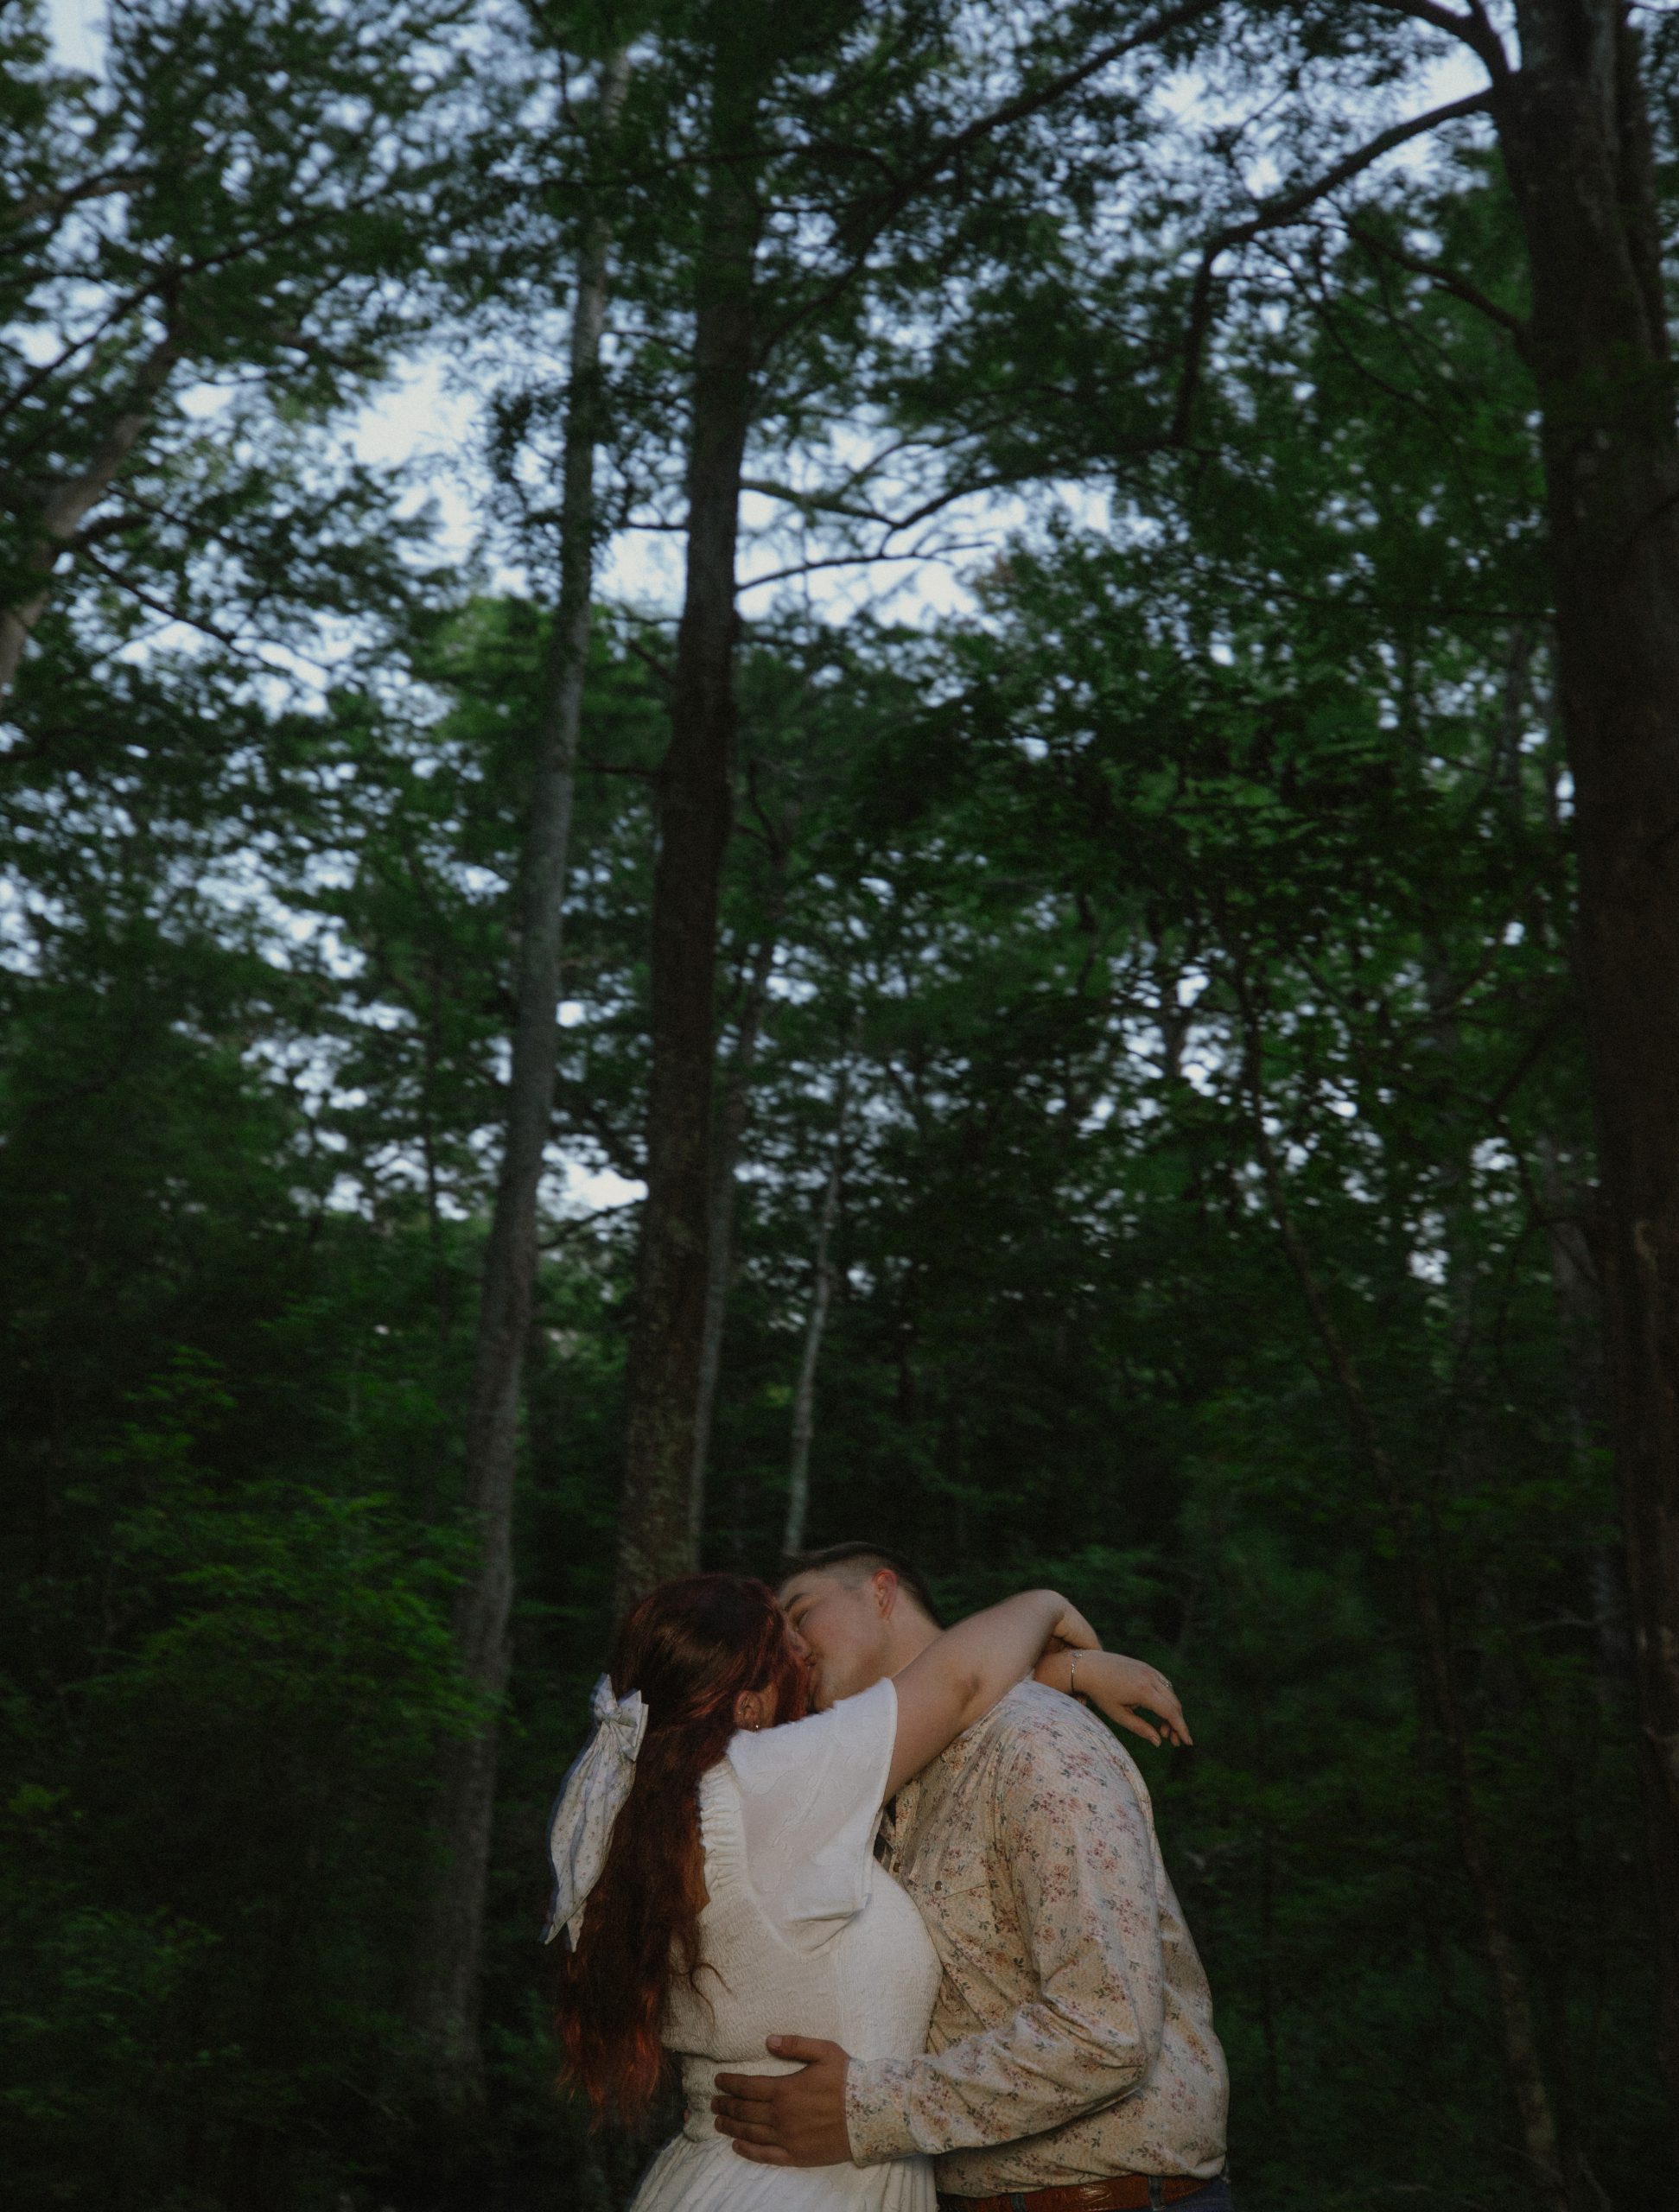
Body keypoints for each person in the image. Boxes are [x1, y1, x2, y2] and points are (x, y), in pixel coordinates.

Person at [544, 1571, 1185, 2212]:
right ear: (747, 1708)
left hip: (734, 2176)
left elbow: (929, 1719)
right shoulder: (760, 1784)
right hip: (794, 2189)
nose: (811, 1670)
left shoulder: (642, 1813)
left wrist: (1062, 1676)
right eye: (792, 1656)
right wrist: (1045, 1603)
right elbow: (957, 1686)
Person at [711, 1543, 1231, 2212]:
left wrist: (866, 2111)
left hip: (1106, 2199)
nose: (792, 1647)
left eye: (802, 1613)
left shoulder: (1035, 1746)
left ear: (880, 1592)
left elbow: (1107, 2029)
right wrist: (1060, 1667)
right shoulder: (863, 1785)